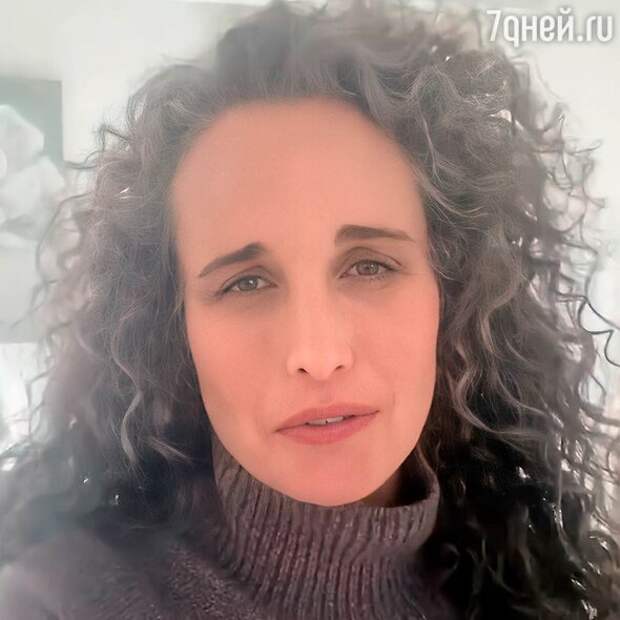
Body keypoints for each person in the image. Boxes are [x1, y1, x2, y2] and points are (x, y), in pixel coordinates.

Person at [0, 0, 619, 618]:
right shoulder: (53, 602)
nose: (318, 355)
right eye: (246, 283)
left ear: (452, 296)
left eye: (369, 266)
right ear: (174, 330)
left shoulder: (533, 587)